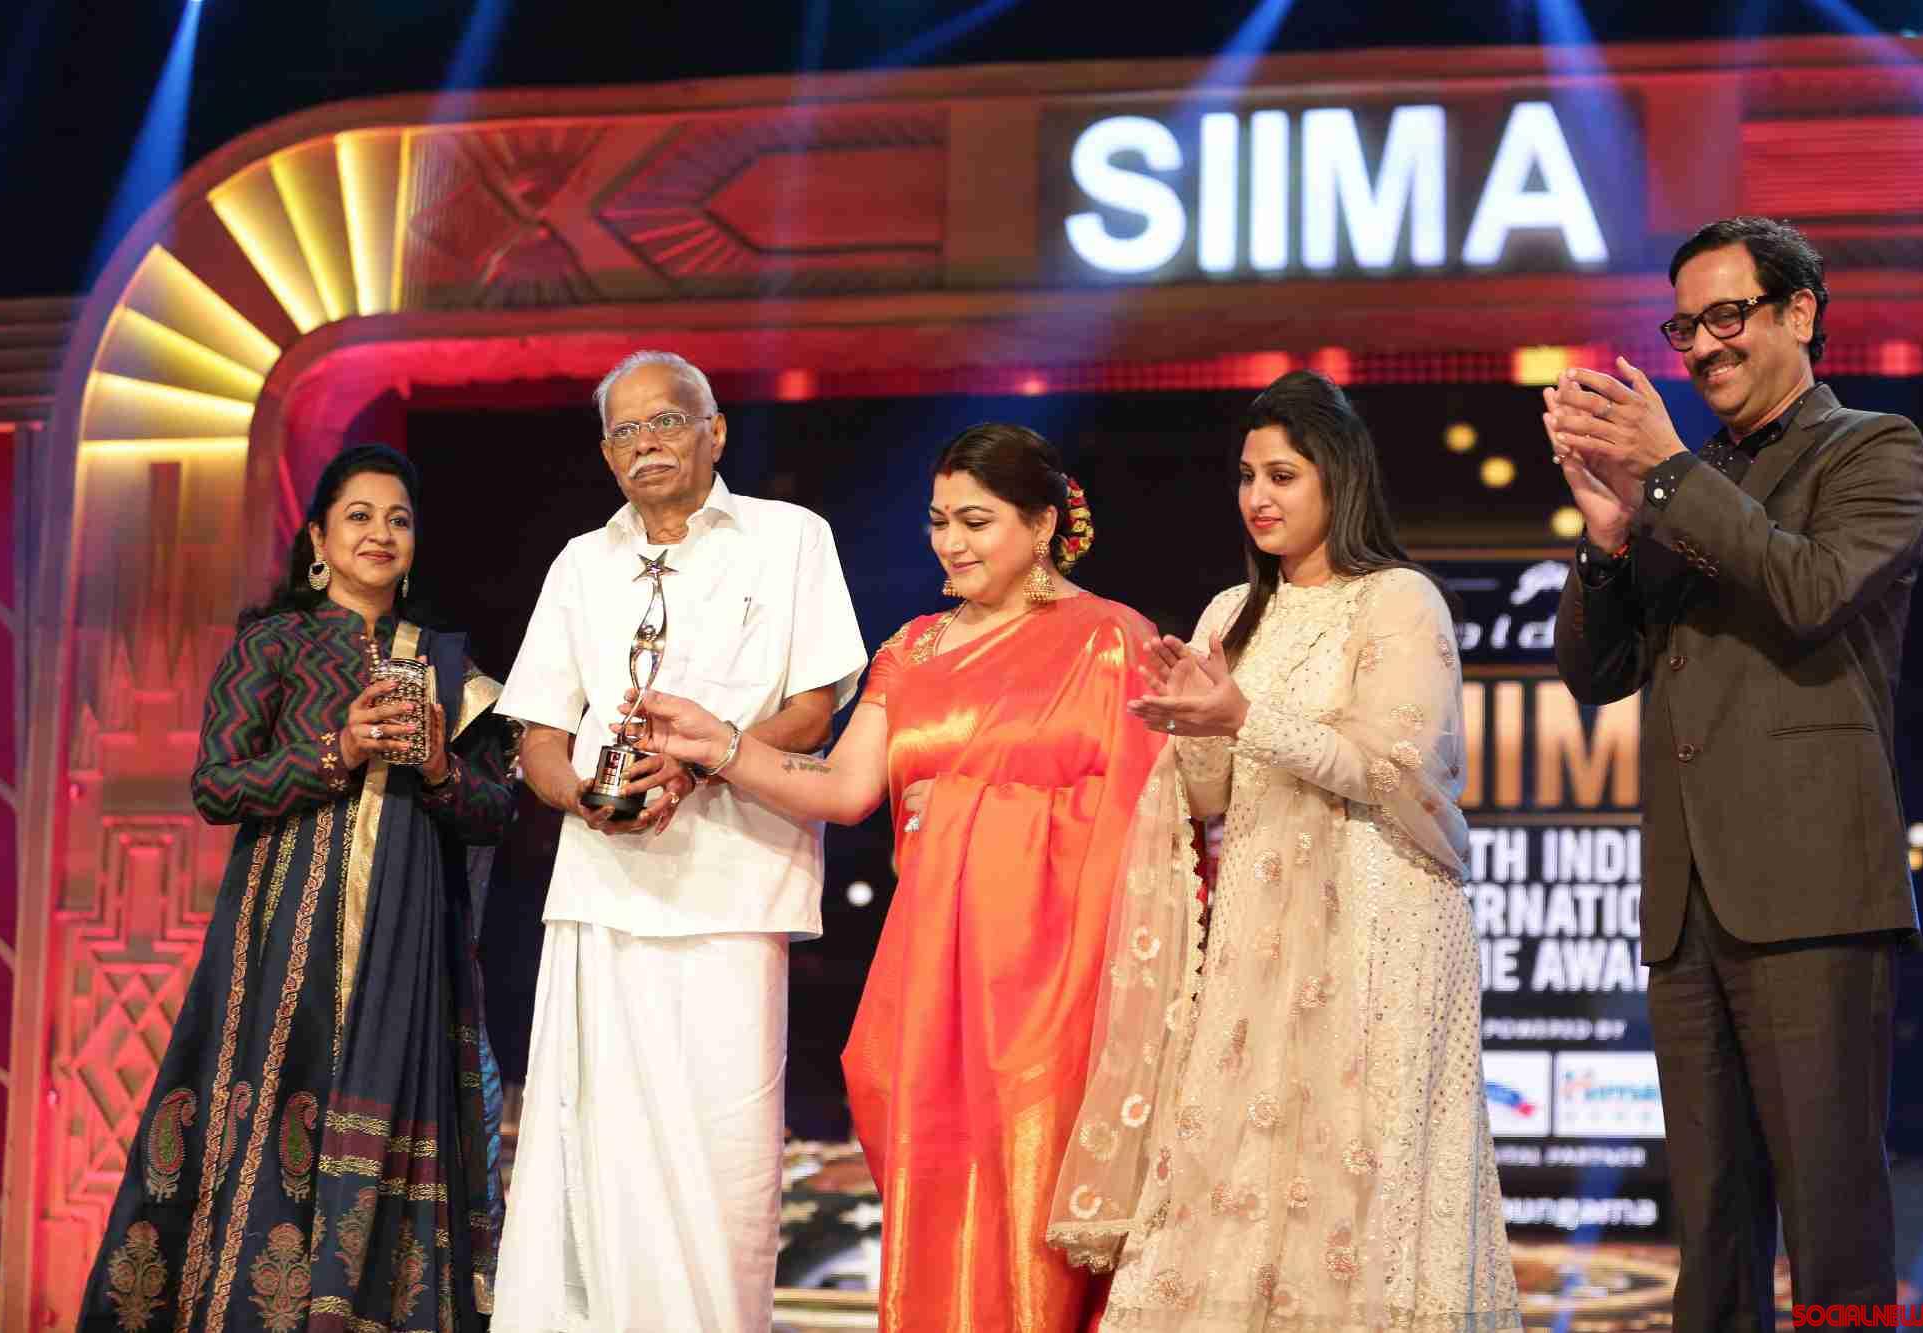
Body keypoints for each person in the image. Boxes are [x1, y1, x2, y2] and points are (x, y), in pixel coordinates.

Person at [633, 423, 1166, 1331]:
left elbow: (1149, 827)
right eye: (938, 520)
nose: (950, 542)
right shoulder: (913, 649)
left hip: (1061, 989)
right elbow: (844, 789)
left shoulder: (1113, 641)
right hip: (930, 981)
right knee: (935, 1194)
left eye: (976, 521)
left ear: (1043, 524)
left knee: (1037, 1210)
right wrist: (721, 745)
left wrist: (972, 809)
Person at [1046, 371, 1519, 1327]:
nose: (1257, 496)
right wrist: (1193, 724)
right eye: (1246, 475)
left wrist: (1242, 715)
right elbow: (1212, 796)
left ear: (1338, 479)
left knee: (1372, 1177)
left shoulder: (1398, 601)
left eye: (1283, 475)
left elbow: (1393, 768)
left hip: (1381, 924)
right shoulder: (1232, 611)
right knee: (1237, 1171)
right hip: (1263, 934)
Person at [1546, 216, 1923, 1320]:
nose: (1704, 345)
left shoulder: (1871, 447)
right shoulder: (1683, 483)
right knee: (1711, 1229)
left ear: (1799, 313)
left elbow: (1809, 590)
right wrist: (1607, 535)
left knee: (1829, 1220)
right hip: (1686, 902)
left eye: (1726, 315)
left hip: (1813, 892)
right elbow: (1594, 672)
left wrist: (1663, 474)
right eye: (1685, 327)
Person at [78, 444, 514, 1331]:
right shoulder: (273, 642)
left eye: (398, 519)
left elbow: (494, 811)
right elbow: (217, 785)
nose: (380, 533)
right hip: (288, 936)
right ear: (318, 537)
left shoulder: (448, 667)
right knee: (277, 1120)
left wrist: (439, 765)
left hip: (411, 954)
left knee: (399, 1139)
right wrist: (336, 751)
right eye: (359, 516)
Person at [490, 351, 866, 1331]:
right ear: (606, 453)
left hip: (734, 890)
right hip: (599, 896)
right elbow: (536, 731)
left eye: (665, 421)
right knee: (591, 1157)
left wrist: (697, 767)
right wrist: (582, 797)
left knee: (723, 1164)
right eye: (624, 430)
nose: (645, 443)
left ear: (715, 431)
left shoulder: (790, 538)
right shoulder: (581, 562)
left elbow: (815, 707)